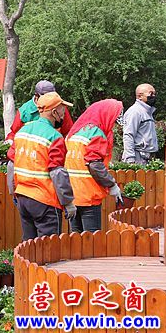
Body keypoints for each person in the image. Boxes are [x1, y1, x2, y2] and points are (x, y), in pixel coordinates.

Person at [7, 93, 76, 240]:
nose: (64, 115)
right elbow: (57, 173)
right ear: (54, 112)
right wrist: (68, 202)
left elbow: (11, 165)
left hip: (23, 197)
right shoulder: (54, 137)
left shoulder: (22, 132)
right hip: (45, 201)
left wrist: (13, 192)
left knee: (29, 245)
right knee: (48, 247)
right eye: (62, 110)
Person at [65, 99, 125, 233]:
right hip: (88, 194)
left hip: (72, 194)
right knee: (92, 240)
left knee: (75, 238)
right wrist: (111, 185)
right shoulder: (96, 134)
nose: (114, 124)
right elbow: (95, 165)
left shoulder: (75, 132)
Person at [5, 80, 74, 143]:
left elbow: (69, 132)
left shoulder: (59, 108)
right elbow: (14, 133)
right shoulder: (24, 112)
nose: (49, 99)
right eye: (46, 97)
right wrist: (9, 142)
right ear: (36, 96)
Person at [122, 83, 158, 164]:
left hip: (147, 158)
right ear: (140, 96)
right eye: (151, 93)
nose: (153, 96)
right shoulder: (135, 111)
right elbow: (128, 135)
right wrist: (130, 158)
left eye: (154, 94)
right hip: (137, 158)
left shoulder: (148, 112)